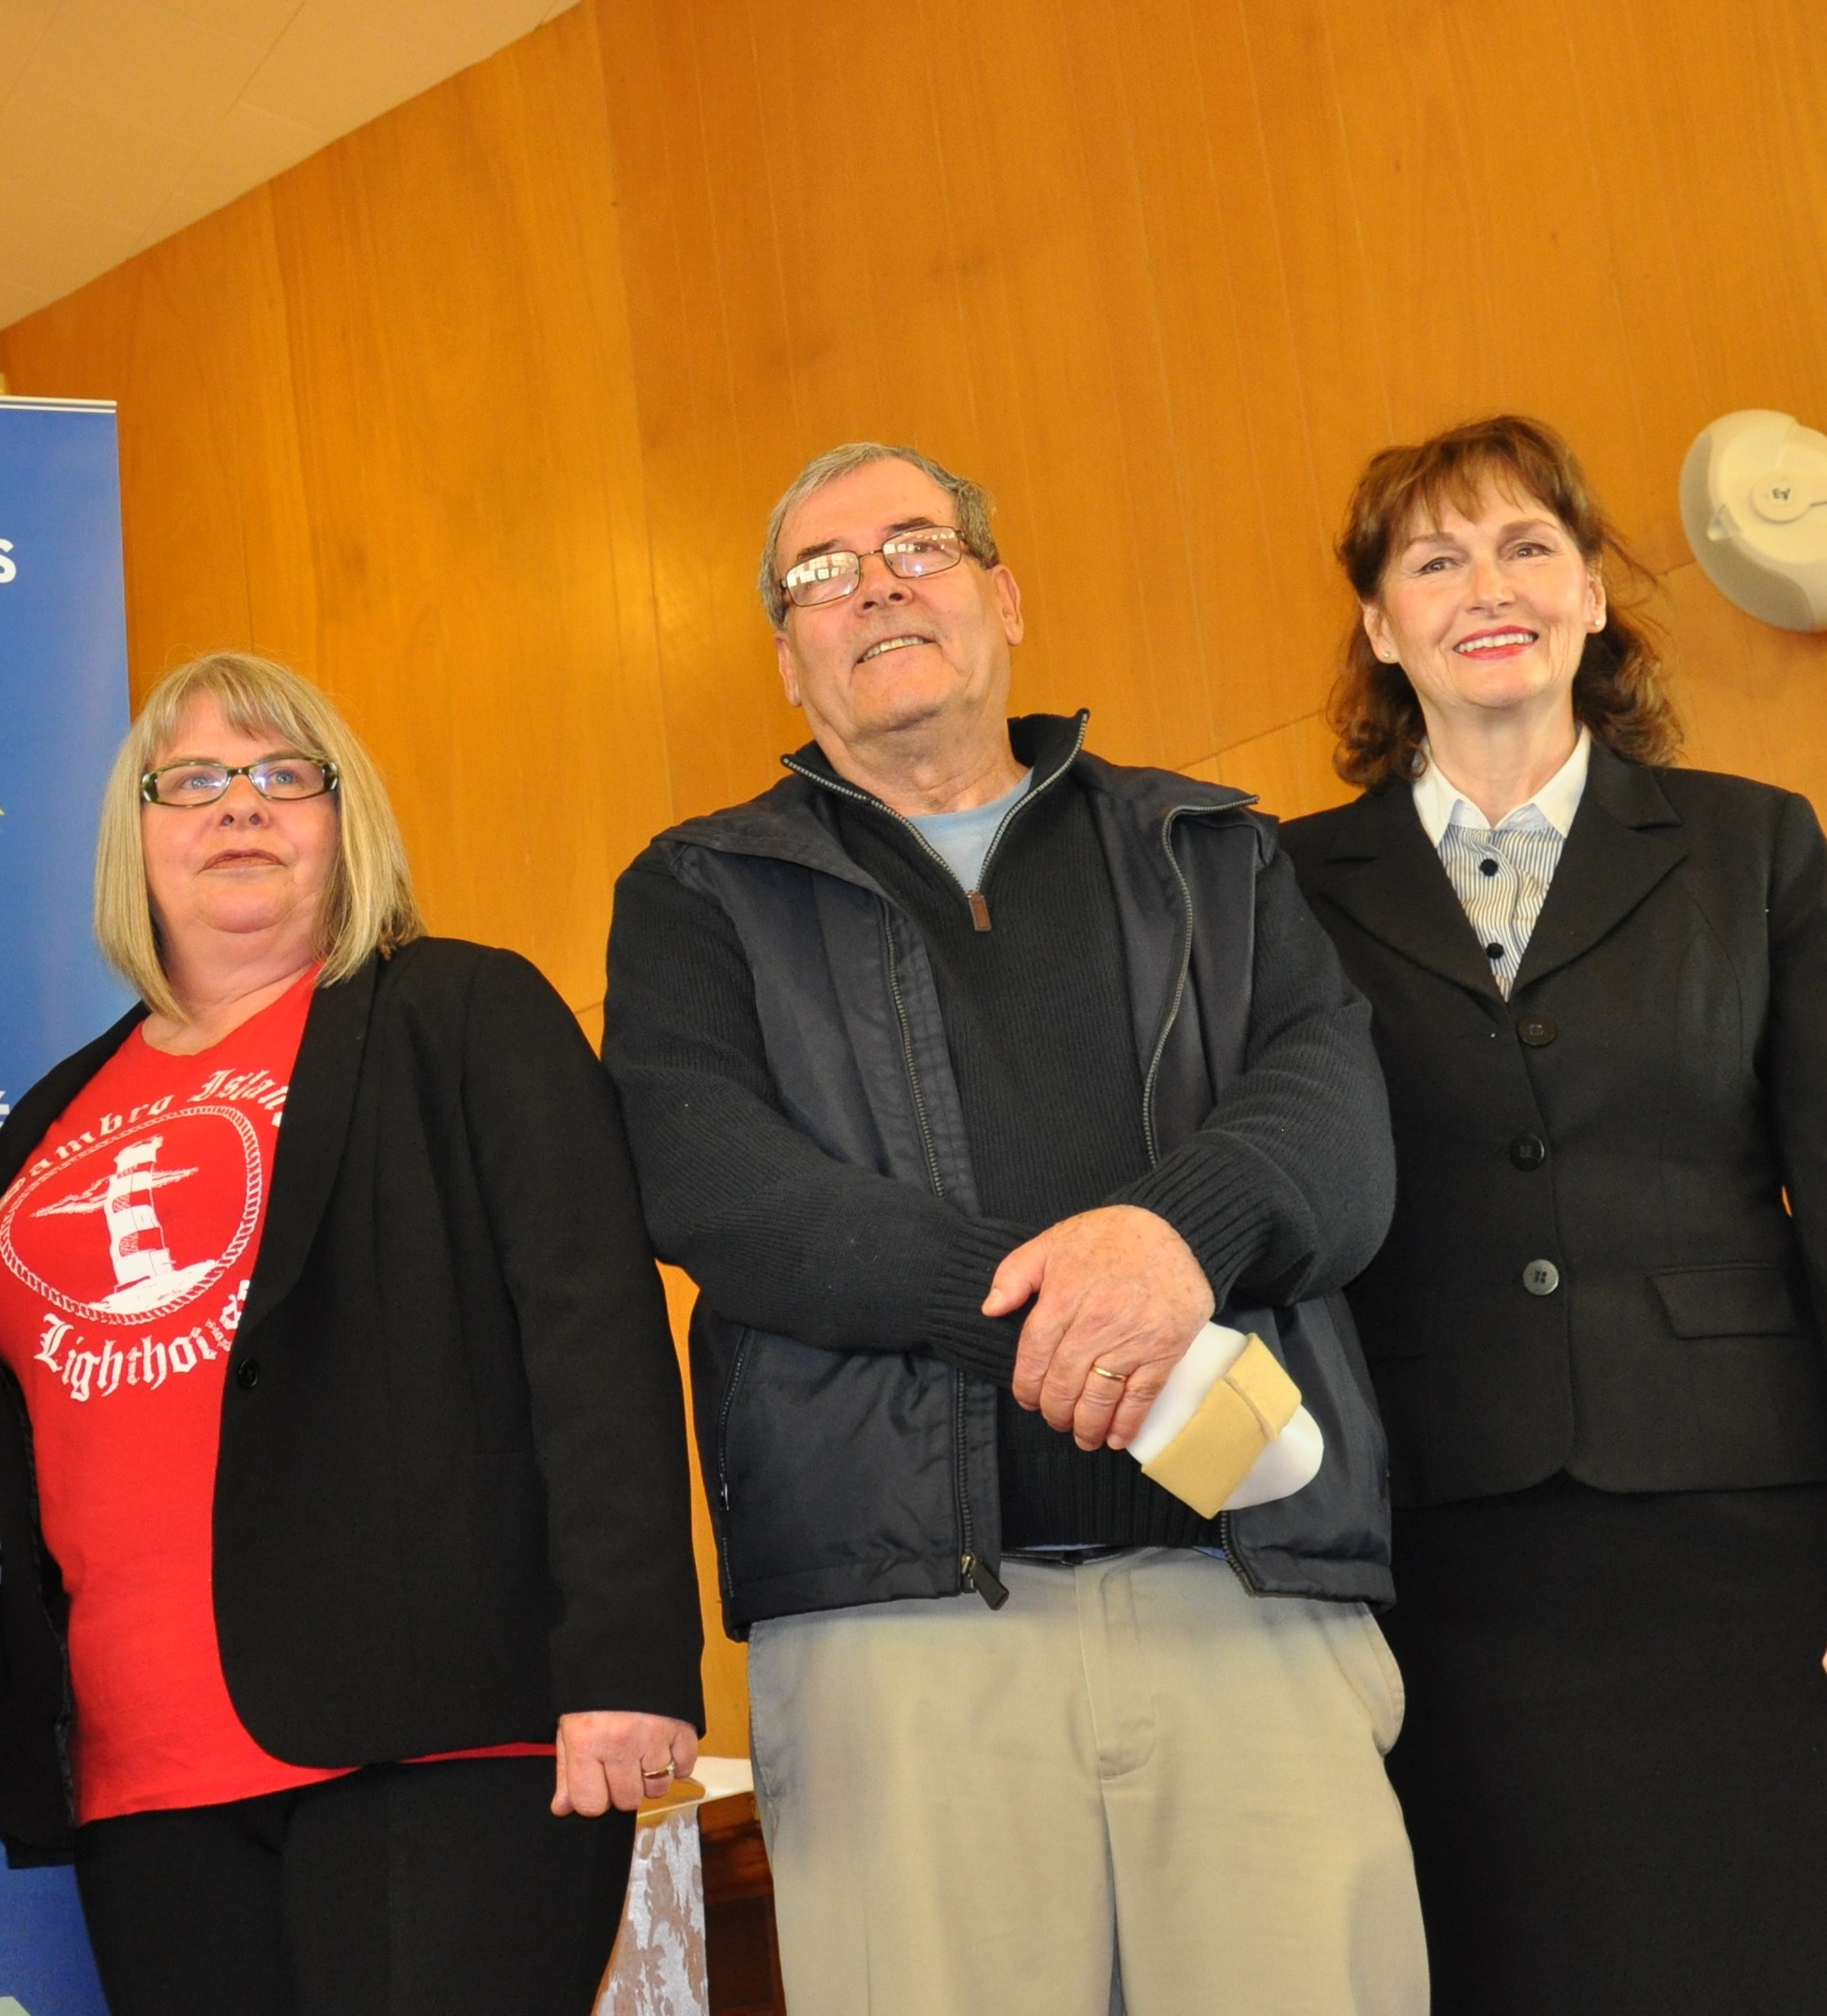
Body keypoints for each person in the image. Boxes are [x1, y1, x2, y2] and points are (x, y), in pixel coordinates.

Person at [606, 443, 1423, 2014]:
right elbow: (713, 1180)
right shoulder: (700, 891)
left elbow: (1335, 1130)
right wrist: (1062, 1311)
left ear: (1004, 595)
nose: (875, 584)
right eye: (819, 574)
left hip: (1249, 1596)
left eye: (916, 543)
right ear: (788, 657)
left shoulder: (1214, 850)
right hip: (898, 1636)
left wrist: (1172, 1242)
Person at [1279, 413, 1827, 2012]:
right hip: (1451, 1574)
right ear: (1376, 622)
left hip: (1769, 1550)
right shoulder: (1277, 887)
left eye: (1529, 545)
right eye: (1434, 556)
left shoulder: (1753, 847)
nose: (1489, 585)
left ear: (1593, 595)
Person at [0, 650, 703, 2016]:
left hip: (441, 1745)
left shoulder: (460, 1013)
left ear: (344, 822)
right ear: (132, 835)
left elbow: (593, 1343)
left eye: (283, 775)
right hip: (142, 1780)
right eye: (191, 782)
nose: (239, 805)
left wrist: (628, 1664)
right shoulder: (45, 1119)